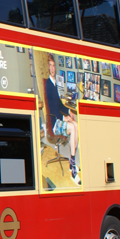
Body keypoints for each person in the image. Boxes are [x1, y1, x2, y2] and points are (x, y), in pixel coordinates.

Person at [44, 52, 80, 184]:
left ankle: (72, 161)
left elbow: (59, 104)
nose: (52, 68)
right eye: (50, 65)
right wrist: (65, 118)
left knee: (76, 124)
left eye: (54, 65)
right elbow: (51, 108)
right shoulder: (48, 84)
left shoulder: (55, 83)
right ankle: (73, 167)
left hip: (59, 118)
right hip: (54, 122)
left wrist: (69, 112)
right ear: (48, 67)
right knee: (73, 127)